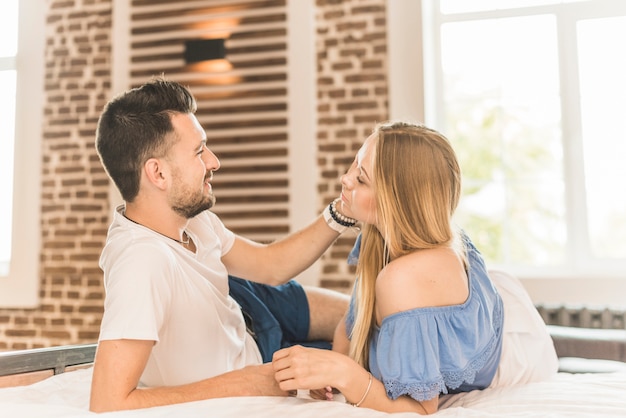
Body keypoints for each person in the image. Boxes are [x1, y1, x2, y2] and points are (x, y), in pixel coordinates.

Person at [89, 78, 351, 412]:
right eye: (199, 151)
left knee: (359, 315)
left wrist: (340, 213)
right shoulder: (141, 264)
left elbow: (270, 266)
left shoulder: (192, 219)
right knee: (366, 347)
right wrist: (248, 381)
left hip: (247, 301)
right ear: (157, 174)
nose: (214, 161)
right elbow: (108, 402)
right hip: (260, 353)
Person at [272, 122, 505, 414]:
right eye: (354, 165)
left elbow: (420, 409)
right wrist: (331, 377)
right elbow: (350, 326)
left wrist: (343, 372)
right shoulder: (380, 241)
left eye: (362, 179)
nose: (345, 179)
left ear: (396, 202)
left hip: (517, 343)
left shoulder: (403, 278)